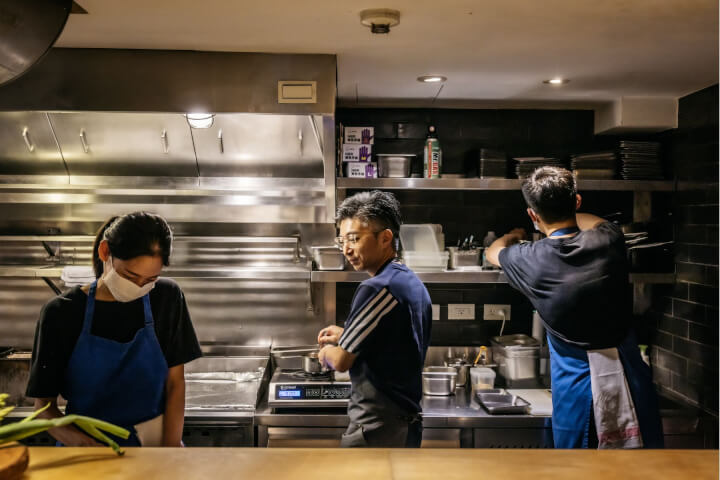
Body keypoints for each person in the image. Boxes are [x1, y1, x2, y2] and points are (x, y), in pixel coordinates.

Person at [485, 167, 664, 449]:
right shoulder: (609, 239)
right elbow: (594, 222)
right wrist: (562, 208)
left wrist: (513, 234)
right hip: (631, 383)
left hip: (577, 393)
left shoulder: (530, 259)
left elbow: (493, 252)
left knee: (576, 472)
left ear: (533, 215)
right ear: (577, 202)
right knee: (642, 471)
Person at [26, 212, 202, 447]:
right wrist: (83, 445)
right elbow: (44, 408)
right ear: (105, 252)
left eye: (150, 279)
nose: (139, 287)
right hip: (86, 458)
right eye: (130, 276)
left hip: (154, 451)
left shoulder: (166, 298)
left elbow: (175, 383)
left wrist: (169, 451)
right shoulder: (61, 313)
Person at [316, 191, 432, 448]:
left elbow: (343, 361)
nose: (346, 249)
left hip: (377, 429)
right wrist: (345, 333)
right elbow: (388, 339)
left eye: (354, 239)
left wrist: (325, 353)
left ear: (385, 238)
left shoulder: (377, 287)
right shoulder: (409, 281)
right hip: (404, 425)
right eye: (342, 240)